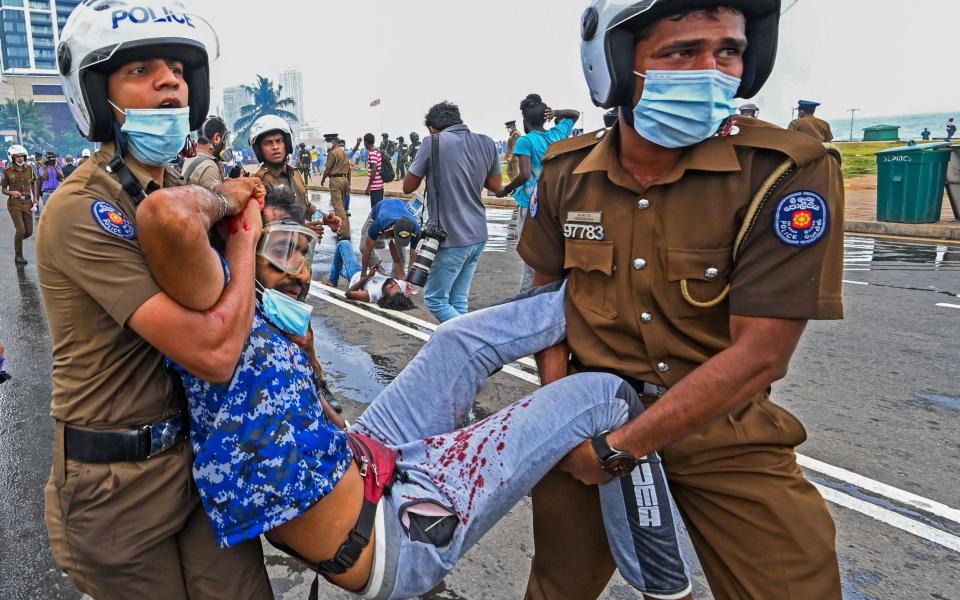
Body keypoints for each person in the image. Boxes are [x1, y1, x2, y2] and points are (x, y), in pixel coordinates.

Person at [140, 187, 693, 600]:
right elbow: (166, 215)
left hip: (363, 460)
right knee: (606, 395)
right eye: (280, 248)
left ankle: (611, 288)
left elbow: (317, 421)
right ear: (232, 251)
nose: (299, 269)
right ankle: (667, 587)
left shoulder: (273, 319)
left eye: (305, 248)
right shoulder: (216, 314)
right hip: (386, 530)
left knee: (455, 340)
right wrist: (240, 212)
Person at [518, 1, 845, 599]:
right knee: (557, 588)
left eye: (729, 51)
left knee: (797, 582)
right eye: (681, 52)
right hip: (589, 420)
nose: (710, 70)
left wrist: (622, 449)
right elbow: (545, 303)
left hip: (721, 426)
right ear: (615, 66)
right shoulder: (566, 171)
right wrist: (560, 410)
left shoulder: (781, 170)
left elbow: (762, 355)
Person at [37, 1, 274, 597]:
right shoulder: (83, 210)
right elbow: (215, 350)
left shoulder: (176, 191)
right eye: (141, 71)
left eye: (175, 68)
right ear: (98, 98)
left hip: (196, 456)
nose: (169, 80)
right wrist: (244, 243)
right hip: (115, 486)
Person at [403, 101, 502, 322]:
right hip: (478, 234)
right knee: (458, 300)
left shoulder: (432, 143)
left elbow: (408, 186)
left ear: (432, 128)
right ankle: (462, 350)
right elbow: (496, 186)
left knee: (436, 300)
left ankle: (471, 342)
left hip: (450, 238)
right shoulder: (487, 142)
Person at [497, 94, 579, 292]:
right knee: (552, 253)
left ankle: (527, 298)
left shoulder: (526, 141)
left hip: (531, 205)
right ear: (545, 117)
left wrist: (506, 189)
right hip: (555, 203)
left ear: (525, 121)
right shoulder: (557, 134)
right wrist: (556, 113)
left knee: (531, 258)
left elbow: (524, 174)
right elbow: (574, 115)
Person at [250, 114, 314, 219]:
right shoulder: (258, 182)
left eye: (279, 141)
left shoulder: (295, 173)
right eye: (268, 143)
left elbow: (305, 205)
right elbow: (264, 224)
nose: (275, 147)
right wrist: (302, 228)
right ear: (259, 150)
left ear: (287, 144)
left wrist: (325, 217)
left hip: (305, 235)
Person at [324, 238, 416, 310]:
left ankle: (333, 279)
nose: (393, 283)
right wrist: (389, 239)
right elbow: (397, 261)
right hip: (371, 272)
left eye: (390, 287)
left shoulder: (374, 294)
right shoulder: (400, 290)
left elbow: (348, 293)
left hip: (357, 275)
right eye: (396, 285)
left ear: (383, 295)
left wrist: (367, 276)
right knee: (343, 269)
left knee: (343, 244)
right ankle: (341, 270)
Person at [3, 144, 37, 265]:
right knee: (21, 230)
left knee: (29, 232)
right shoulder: (7, 172)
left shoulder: (30, 169)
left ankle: (17, 241)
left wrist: (35, 198)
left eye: (22, 156)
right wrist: (11, 192)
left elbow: (33, 183)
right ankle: (19, 256)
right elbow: (3, 189)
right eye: (17, 157)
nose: (20, 159)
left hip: (28, 203)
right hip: (14, 204)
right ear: (12, 158)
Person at [183, 115, 229, 190]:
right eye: (224, 139)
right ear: (216, 138)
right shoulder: (209, 166)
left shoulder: (192, 158)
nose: (225, 144)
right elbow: (218, 201)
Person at [320, 132, 352, 240]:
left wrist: (323, 178)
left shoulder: (333, 153)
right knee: (342, 207)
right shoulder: (344, 153)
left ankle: (344, 233)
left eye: (328, 141)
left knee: (338, 208)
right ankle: (344, 230)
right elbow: (349, 170)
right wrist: (349, 183)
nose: (327, 144)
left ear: (332, 141)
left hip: (336, 180)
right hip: (345, 180)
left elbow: (328, 169)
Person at [363, 133, 386, 207]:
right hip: (379, 186)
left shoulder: (372, 153)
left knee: (376, 209)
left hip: (375, 187)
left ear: (365, 142)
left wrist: (368, 187)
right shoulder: (376, 151)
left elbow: (374, 170)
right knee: (378, 209)